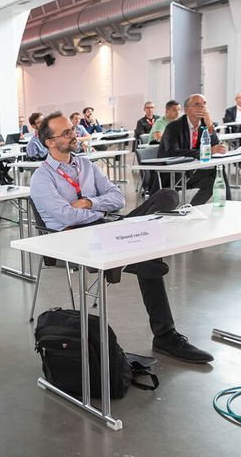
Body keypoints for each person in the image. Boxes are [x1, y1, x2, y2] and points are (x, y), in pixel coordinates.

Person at [30, 111, 213, 364]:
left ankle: (134, 252)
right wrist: (98, 211)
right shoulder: (41, 178)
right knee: (148, 256)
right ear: (50, 142)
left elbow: (117, 198)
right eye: (67, 132)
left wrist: (90, 203)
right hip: (73, 240)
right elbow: (65, 217)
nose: (75, 135)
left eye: (73, 129)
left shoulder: (86, 165)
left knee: (167, 196)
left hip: (106, 227)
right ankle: (165, 334)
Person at [156, 93, 230, 205]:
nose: (202, 107)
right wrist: (205, 152)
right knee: (215, 174)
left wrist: (210, 126)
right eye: (197, 104)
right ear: (186, 110)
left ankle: (195, 207)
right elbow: (172, 152)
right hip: (173, 173)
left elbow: (214, 147)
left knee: (218, 173)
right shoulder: (174, 127)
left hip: (192, 171)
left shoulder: (204, 125)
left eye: (204, 104)